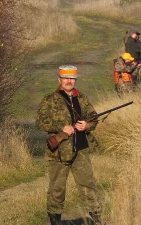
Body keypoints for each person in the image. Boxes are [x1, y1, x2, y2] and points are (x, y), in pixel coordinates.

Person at [36, 65, 102, 225]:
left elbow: (93, 117)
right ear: (59, 79)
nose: (69, 81)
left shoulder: (82, 98)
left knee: (88, 185)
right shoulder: (49, 99)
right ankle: (55, 220)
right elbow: (40, 122)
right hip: (59, 151)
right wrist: (61, 128)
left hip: (81, 148)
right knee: (57, 188)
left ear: (75, 80)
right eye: (66, 78)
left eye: (72, 78)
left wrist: (86, 126)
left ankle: (96, 220)